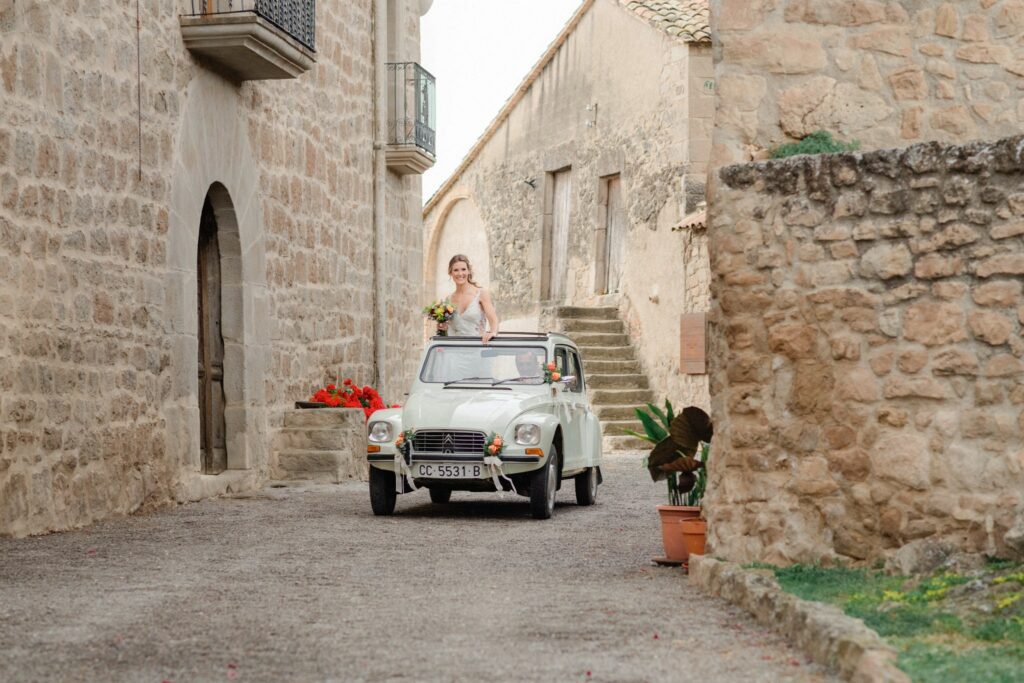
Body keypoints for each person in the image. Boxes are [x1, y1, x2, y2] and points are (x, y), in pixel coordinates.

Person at [438, 254, 499, 343]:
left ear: (469, 271)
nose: (460, 274)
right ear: (450, 273)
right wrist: (442, 328)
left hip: (476, 349)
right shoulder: (448, 300)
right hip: (453, 350)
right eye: (456, 270)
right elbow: (446, 328)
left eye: (463, 269)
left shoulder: (481, 294)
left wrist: (493, 332)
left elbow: (493, 320)